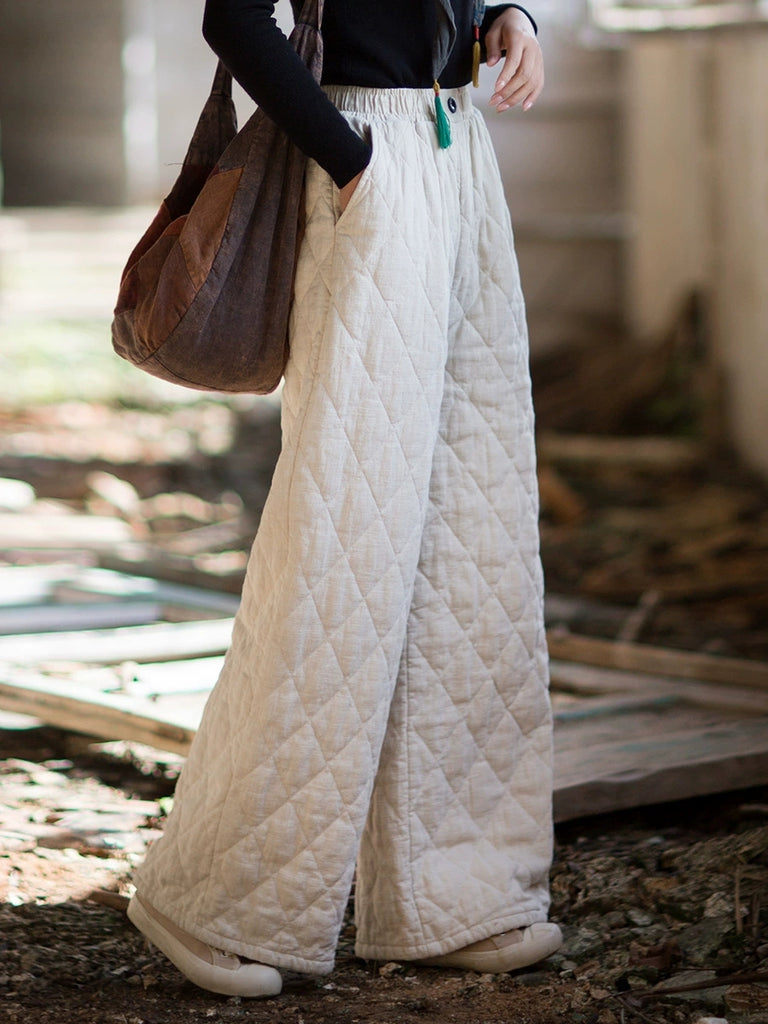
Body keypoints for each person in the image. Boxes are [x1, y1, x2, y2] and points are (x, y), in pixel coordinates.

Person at [127, 0, 561, 998]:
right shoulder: (355, 157)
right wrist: (350, 158)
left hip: (457, 150)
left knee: (474, 529)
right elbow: (235, 16)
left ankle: (449, 895)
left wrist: (510, 16)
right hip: (367, 158)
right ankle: (211, 894)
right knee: (341, 537)